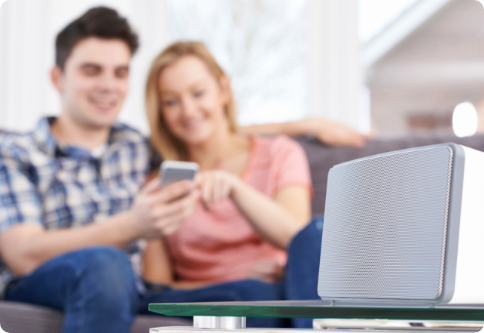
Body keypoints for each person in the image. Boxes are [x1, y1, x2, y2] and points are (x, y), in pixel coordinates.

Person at [0, 6, 365, 333]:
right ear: (57, 77)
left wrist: (302, 125)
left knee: (259, 292)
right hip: (56, 277)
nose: (107, 85)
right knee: (108, 264)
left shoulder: (135, 147)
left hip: (132, 288)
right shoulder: (18, 151)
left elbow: (206, 133)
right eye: (91, 71)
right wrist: (131, 225)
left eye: (120, 72)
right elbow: (22, 253)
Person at [141, 41, 323, 328]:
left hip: (285, 289)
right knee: (254, 295)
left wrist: (236, 189)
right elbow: (158, 288)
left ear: (222, 90)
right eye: (171, 101)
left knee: (316, 234)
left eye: (198, 93)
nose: (188, 110)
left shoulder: (280, 153)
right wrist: (236, 280)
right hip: (221, 294)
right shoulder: (158, 184)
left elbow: (297, 238)